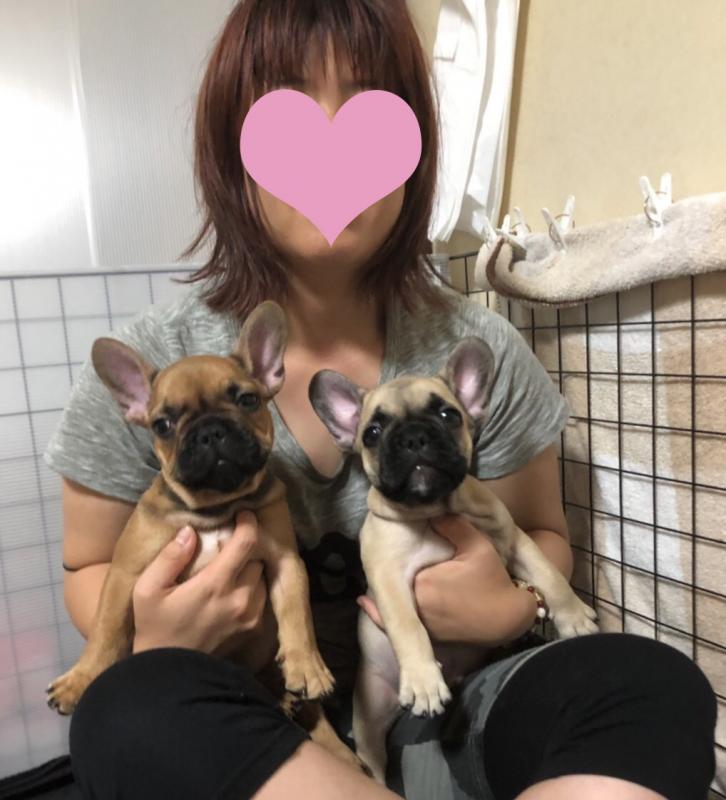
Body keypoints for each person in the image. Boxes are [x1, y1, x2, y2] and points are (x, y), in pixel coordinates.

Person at [45, 1, 716, 798]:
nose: (331, 152)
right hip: (247, 706)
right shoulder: (155, 361)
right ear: (231, 148)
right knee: (123, 712)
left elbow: (541, 532)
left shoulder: (481, 345)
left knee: (652, 682)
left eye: (370, 114)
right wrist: (157, 634)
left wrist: (513, 609)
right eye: (287, 116)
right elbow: (89, 563)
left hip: (458, 696)